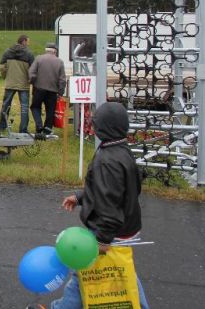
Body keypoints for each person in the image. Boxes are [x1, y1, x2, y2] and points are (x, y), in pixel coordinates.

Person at [45, 102, 149, 309]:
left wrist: (102, 240)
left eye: (96, 122)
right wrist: (80, 197)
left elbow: (109, 204)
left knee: (86, 272)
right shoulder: (121, 149)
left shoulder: (107, 160)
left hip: (110, 230)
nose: (92, 124)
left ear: (103, 127)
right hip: (125, 227)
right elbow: (113, 190)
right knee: (119, 270)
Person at [29, 42, 67, 139]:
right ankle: (47, 129)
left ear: (46, 50)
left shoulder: (38, 58)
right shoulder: (60, 62)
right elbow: (62, 80)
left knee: (35, 107)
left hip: (38, 89)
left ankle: (39, 125)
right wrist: (60, 92)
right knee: (50, 110)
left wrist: (33, 82)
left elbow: (31, 73)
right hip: (52, 91)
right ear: (55, 51)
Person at [0, 34, 34, 134]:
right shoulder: (29, 54)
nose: (28, 43)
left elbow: (2, 67)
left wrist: (5, 76)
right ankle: (23, 130)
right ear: (23, 41)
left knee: (5, 105)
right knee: (24, 107)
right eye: (27, 41)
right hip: (24, 85)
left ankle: (2, 126)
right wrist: (30, 80)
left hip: (10, 83)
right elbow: (33, 70)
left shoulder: (7, 51)